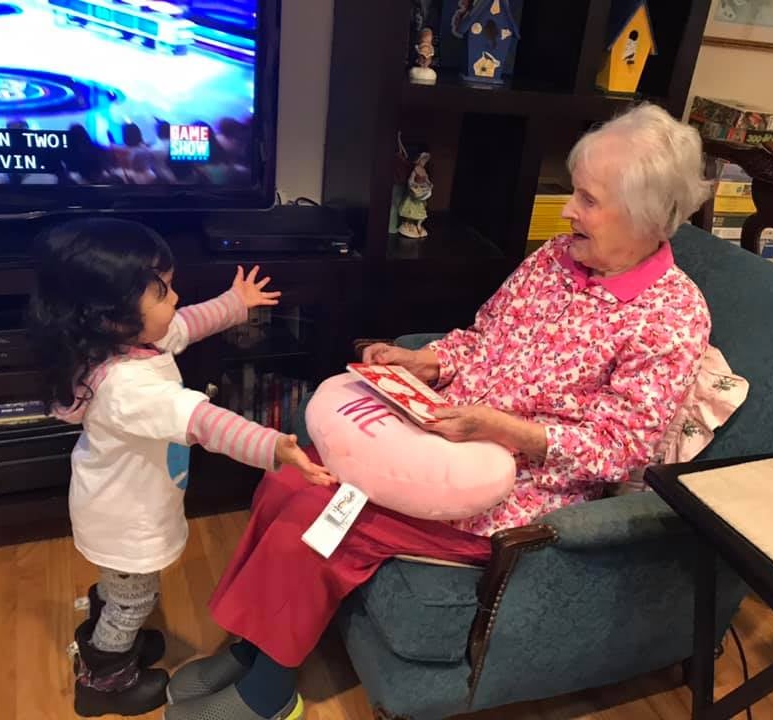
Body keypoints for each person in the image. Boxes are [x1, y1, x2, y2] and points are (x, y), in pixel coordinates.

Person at [163, 103, 713, 720]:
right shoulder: (555, 259)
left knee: (319, 514)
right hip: (434, 434)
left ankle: (270, 694)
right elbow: (482, 338)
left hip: (509, 489)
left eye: (586, 199)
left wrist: (501, 429)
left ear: (644, 215)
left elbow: (625, 444)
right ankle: (251, 648)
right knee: (288, 476)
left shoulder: (672, 315)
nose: (567, 211)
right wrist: (425, 362)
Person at [28, 218, 332, 718]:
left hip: (112, 506)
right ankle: (104, 681)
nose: (175, 297)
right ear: (112, 316)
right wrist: (275, 446)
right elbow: (206, 421)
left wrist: (235, 303)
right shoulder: (129, 386)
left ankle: (110, 635)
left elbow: (186, 324)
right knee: (133, 597)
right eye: (163, 290)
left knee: (122, 589)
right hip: (126, 518)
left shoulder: (124, 344)